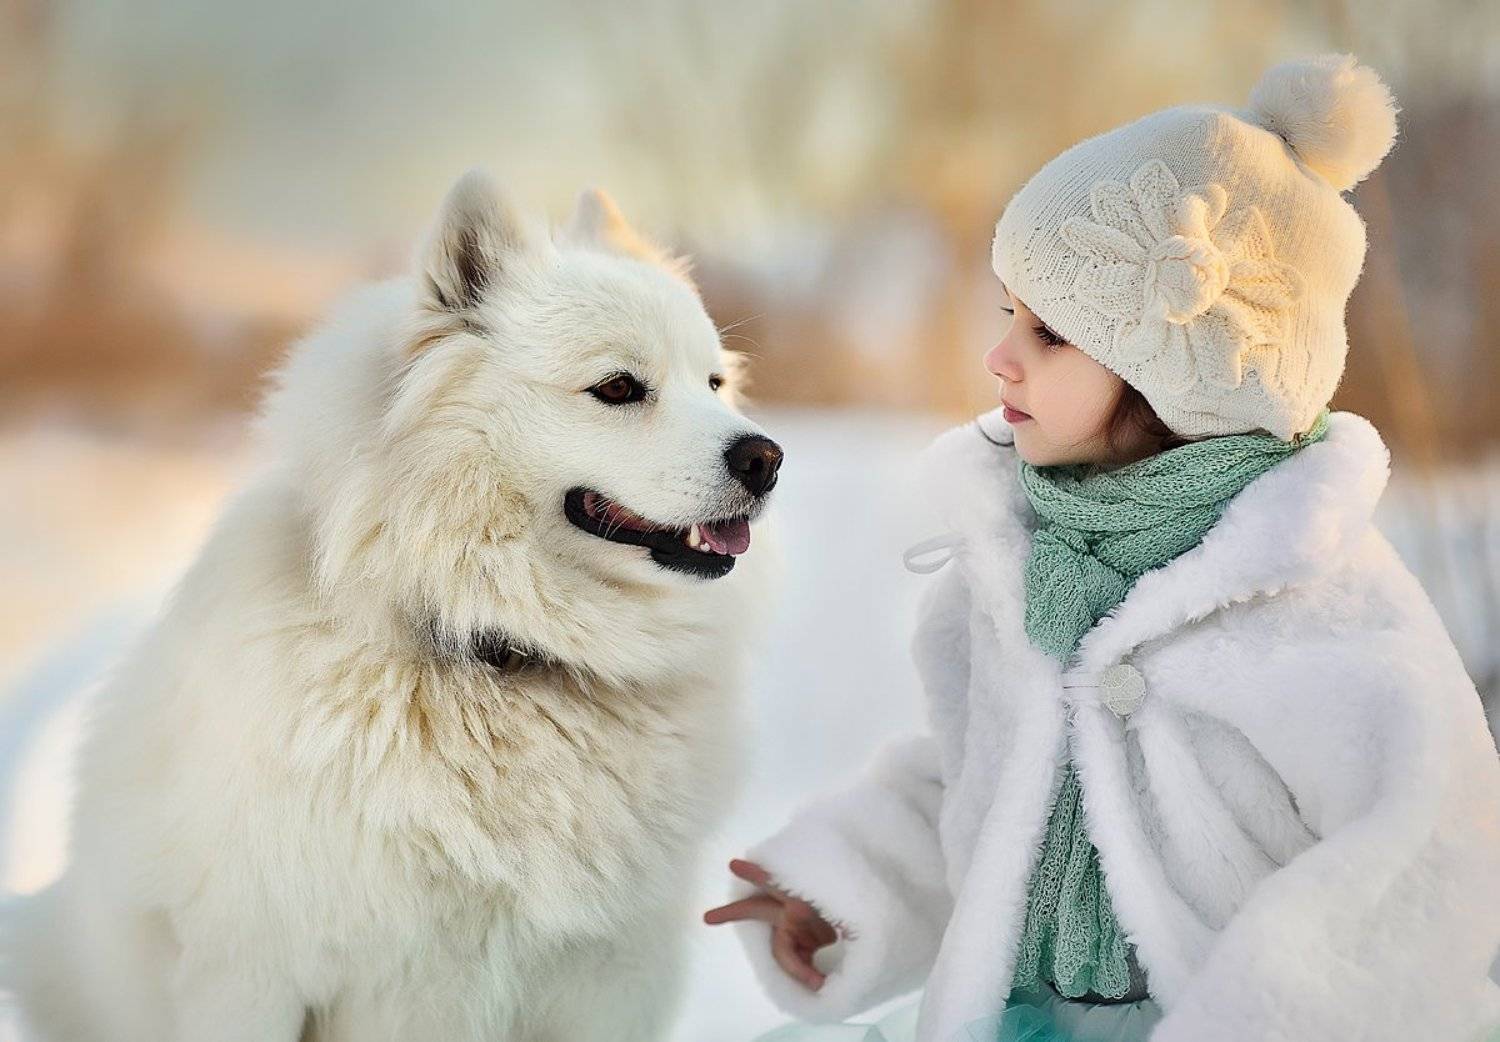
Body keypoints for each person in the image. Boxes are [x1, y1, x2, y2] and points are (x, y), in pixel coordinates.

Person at [704, 53, 1500, 1042]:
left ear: (1182, 370)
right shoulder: (1017, 567)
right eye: (1009, 317)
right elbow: (984, 784)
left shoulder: (1318, 605)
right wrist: (847, 889)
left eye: (1051, 334)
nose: (1001, 355)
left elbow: (1419, 865)